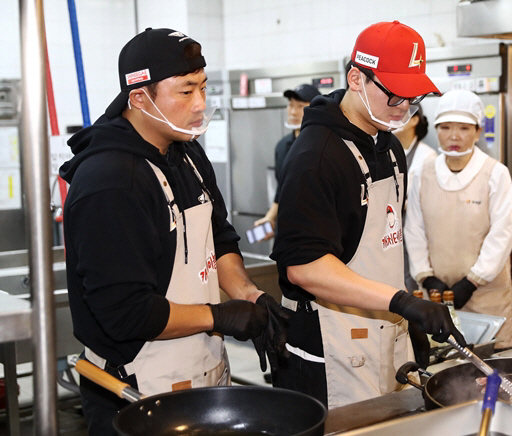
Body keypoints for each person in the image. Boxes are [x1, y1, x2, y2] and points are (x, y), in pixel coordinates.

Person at [59, 28, 287, 435]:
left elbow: (218, 239)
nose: (200, 105)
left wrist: (247, 295)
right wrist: (219, 316)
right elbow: (125, 314)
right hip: (136, 388)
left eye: (202, 88)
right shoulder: (110, 180)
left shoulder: (188, 154)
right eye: (185, 92)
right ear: (139, 97)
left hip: (204, 372)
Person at [270, 21, 466, 409]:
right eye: (395, 96)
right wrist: (401, 302)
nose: (405, 110)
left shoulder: (389, 147)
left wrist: (404, 312)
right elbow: (304, 267)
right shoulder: (316, 157)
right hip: (329, 349)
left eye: (414, 98)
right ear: (357, 78)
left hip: (385, 334)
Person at [404, 89, 512, 349]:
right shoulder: (423, 173)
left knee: (492, 366)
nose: (453, 136)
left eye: (464, 128)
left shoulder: (495, 173)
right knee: (443, 369)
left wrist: (472, 280)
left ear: (477, 132)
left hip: (486, 295)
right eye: (445, 127)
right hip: (438, 296)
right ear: (435, 129)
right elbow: (414, 229)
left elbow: (503, 232)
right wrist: (425, 275)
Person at [254, 84, 320, 238]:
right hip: (287, 232)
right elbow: (282, 189)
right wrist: (270, 217)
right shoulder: (283, 146)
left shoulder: (323, 144)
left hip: (316, 232)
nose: (293, 111)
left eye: (300, 106)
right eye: (290, 105)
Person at [393, 104, 437, 293]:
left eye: (401, 115)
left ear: (415, 120)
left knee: (413, 284)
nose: (394, 120)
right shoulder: (388, 151)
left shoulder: (428, 157)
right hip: (392, 231)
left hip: (415, 230)